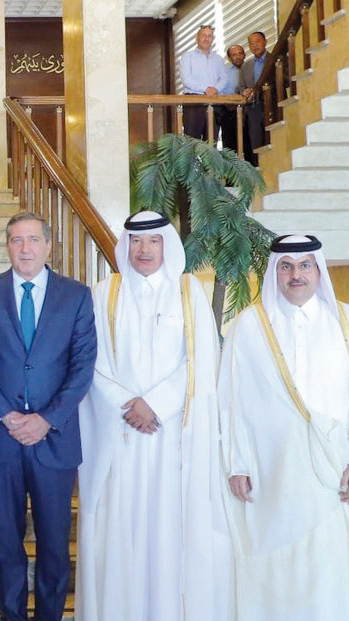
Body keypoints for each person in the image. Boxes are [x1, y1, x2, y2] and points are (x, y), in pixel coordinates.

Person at [75, 212, 231, 620]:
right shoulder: (104, 292)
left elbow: (200, 359)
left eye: (153, 242)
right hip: (120, 434)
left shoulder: (189, 292)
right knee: (119, 528)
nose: (143, 250)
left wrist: (156, 405)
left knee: (169, 530)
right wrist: (129, 406)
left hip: (170, 435)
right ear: (125, 246)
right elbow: (92, 363)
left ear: (167, 246)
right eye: (136, 242)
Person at [219, 234, 349, 620]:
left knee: (328, 564)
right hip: (268, 472)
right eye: (287, 266)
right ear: (275, 272)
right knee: (273, 563)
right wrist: (237, 463)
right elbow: (231, 400)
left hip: (333, 472)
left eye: (305, 265)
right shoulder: (248, 327)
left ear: (318, 271)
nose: (296, 275)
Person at [0, 212, 96, 621]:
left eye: (33, 239)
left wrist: (46, 419)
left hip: (54, 439)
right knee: (6, 542)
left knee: (55, 544)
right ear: (7, 246)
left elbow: (83, 365)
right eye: (16, 240)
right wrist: (5, 414)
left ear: (48, 245)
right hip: (0, 439)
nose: (25, 248)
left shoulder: (75, 295)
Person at [179, 25, 227, 141]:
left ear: (212, 39)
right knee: (191, 142)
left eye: (209, 36)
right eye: (203, 35)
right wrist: (205, 89)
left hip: (214, 103)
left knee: (212, 143)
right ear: (197, 38)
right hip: (193, 103)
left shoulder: (218, 59)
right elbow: (186, 79)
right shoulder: (187, 57)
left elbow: (224, 79)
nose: (206, 38)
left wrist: (215, 89)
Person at [239, 31, 270, 166]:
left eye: (257, 42)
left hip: (271, 105)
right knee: (255, 143)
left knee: (271, 140)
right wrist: (244, 91)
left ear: (265, 42)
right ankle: (258, 171)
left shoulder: (275, 59)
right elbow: (240, 87)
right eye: (252, 43)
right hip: (252, 109)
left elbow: (285, 80)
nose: (255, 45)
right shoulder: (246, 66)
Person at [219, 44, 246, 154]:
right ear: (230, 58)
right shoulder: (225, 73)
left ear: (244, 55)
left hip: (248, 110)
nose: (237, 57)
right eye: (234, 55)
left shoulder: (250, 68)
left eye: (240, 54)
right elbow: (219, 93)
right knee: (231, 147)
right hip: (230, 111)